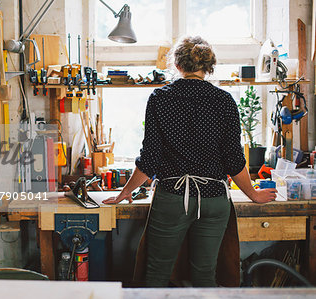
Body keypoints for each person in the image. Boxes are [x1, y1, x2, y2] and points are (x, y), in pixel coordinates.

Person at [103, 36, 277, 287]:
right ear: (208, 65)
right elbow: (233, 158)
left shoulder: (160, 98)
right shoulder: (224, 100)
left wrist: (125, 192)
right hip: (214, 198)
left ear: (177, 63)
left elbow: (150, 158)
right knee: (205, 274)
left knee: (157, 272)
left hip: (173, 198)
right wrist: (253, 194)